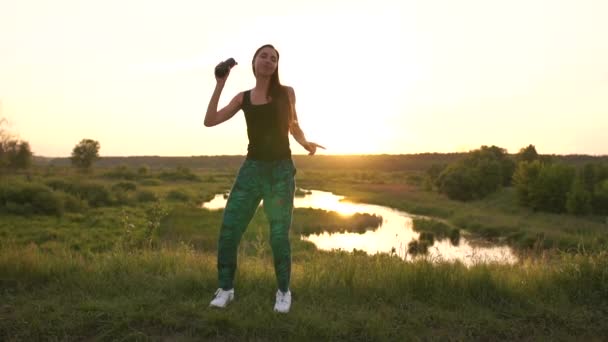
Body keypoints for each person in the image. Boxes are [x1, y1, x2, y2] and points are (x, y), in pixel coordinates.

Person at [204, 44, 325, 313]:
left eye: (274, 58)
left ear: (276, 65)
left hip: (281, 171)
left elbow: (293, 124)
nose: (269, 60)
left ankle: (283, 292)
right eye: (264, 56)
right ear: (254, 62)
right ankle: (225, 288)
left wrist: (305, 143)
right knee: (229, 230)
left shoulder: (286, 93)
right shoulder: (243, 98)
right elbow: (210, 120)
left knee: (279, 236)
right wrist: (220, 83)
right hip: (252, 170)